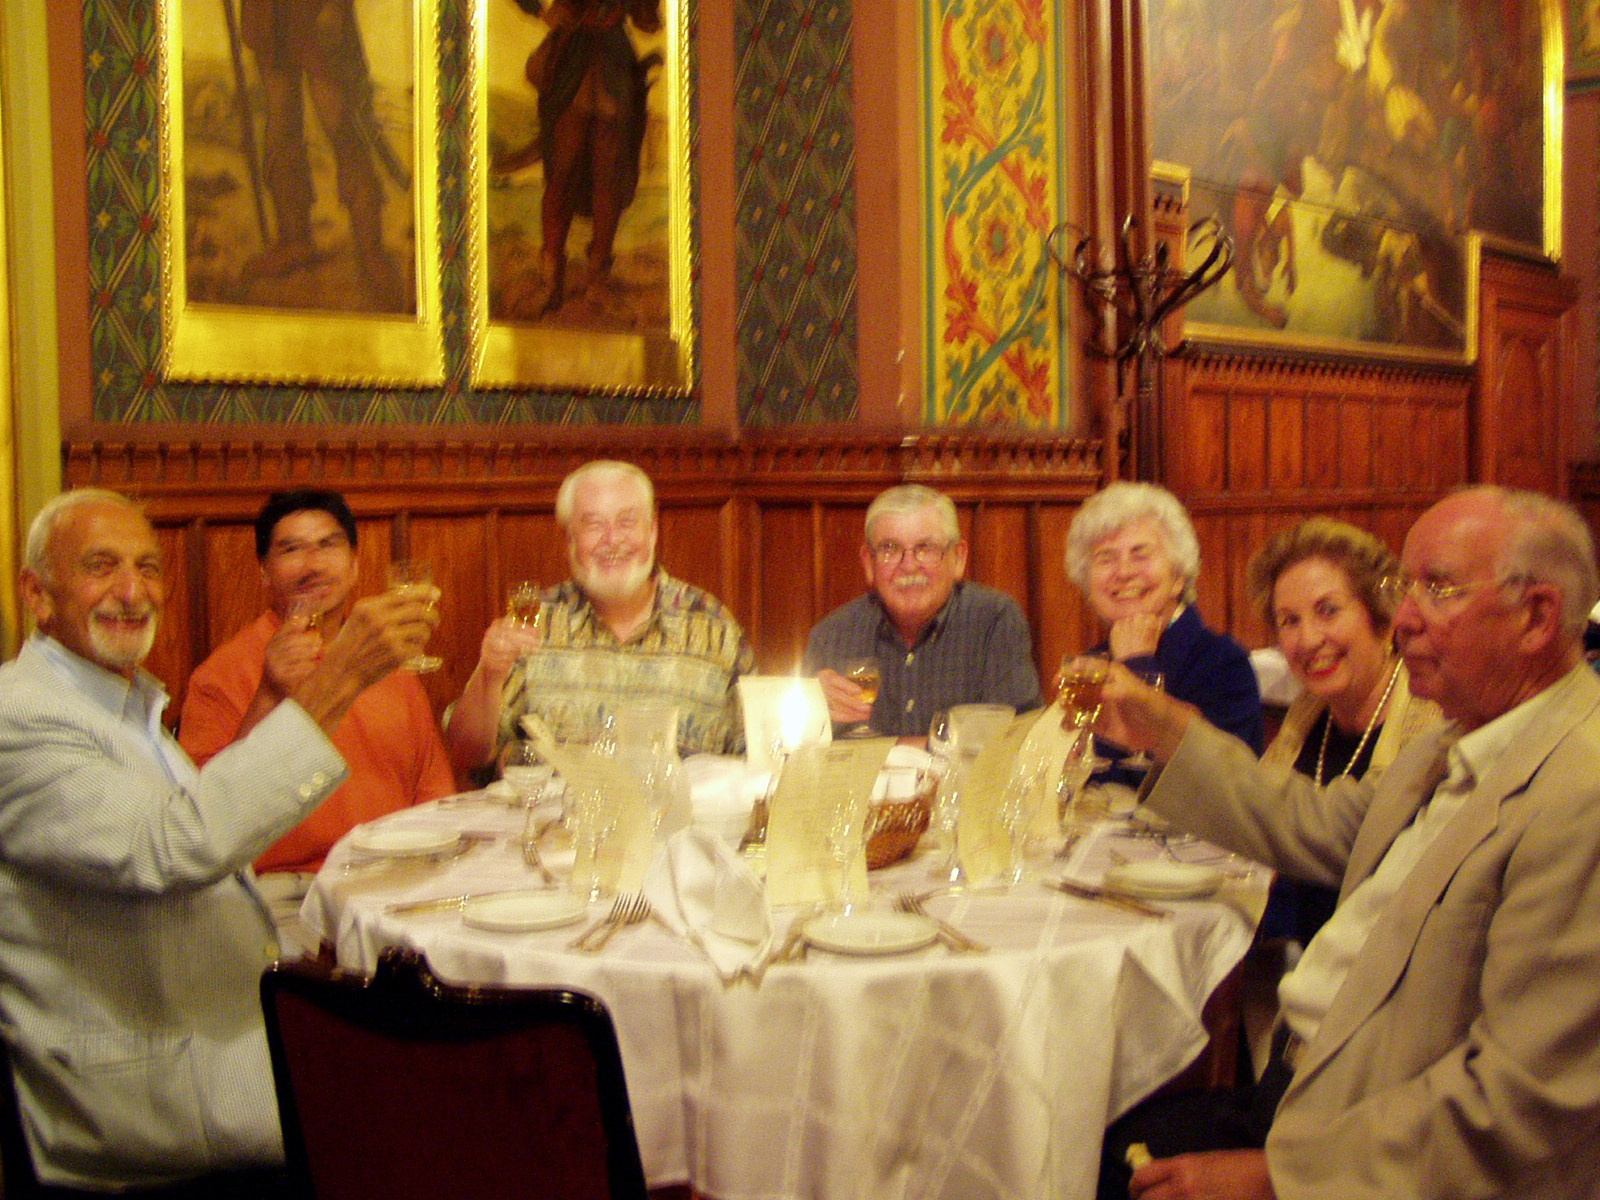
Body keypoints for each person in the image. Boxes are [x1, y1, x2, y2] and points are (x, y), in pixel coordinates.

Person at [1093, 486, 1600, 1200]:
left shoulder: (1579, 792)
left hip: (1370, 1135)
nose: (1406, 617)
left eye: (1439, 590)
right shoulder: (1454, 744)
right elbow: (1304, 819)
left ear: (1537, 617)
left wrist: (1276, 1180)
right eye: (1405, 588)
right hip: (1304, 1081)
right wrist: (1160, 728)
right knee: (1094, 1136)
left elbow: (1525, 1102)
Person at [0, 488, 437, 1193]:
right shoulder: (18, 716)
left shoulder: (121, 705)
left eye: (147, 567)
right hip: (154, 1108)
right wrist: (339, 680)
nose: (132, 591)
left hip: (216, 1047)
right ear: (37, 594)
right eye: (101, 566)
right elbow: (172, 845)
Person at [179, 490, 455, 937]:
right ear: (264, 570)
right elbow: (205, 822)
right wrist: (269, 695)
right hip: (292, 889)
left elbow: (433, 793)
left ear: (355, 564)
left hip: (398, 880)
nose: (313, 564)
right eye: (291, 549)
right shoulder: (222, 674)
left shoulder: (389, 664)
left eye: (328, 545)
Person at [445, 459, 753, 775]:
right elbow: (467, 752)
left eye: (627, 522)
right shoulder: (534, 621)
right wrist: (490, 676)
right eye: (593, 525)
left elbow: (757, 754)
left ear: (652, 532)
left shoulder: (714, 626)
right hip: (557, 809)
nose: (612, 539)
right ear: (569, 540)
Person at [1247, 516, 1440, 945]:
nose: (1308, 639)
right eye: (1289, 620)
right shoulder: (1307, 714)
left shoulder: (1428, 721)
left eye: (1328, 611)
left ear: (1381, 617)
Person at [803, 484, 1042, 739]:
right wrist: (813, 706)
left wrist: (903, 749)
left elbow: (1016, 737)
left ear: (958, 558)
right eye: (889, 548)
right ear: (868, 562)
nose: (908, 566)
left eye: (926, 548)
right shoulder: (832, 635)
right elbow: (797, 744)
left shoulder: (995, 620)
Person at [1064, 482, 1263, 768]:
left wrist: (1137, 665)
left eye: (1140, 554)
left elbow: (1211, 776)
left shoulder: (1223, 663)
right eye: (1106, 558)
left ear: (1179, 576)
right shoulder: (1092, 664)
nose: (1124, 571)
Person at [238, 0, 408, 311]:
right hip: (268, 11)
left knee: (341, 123)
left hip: (315, 9)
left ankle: (371, 249)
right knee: (281, 119)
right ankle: (294, 240)